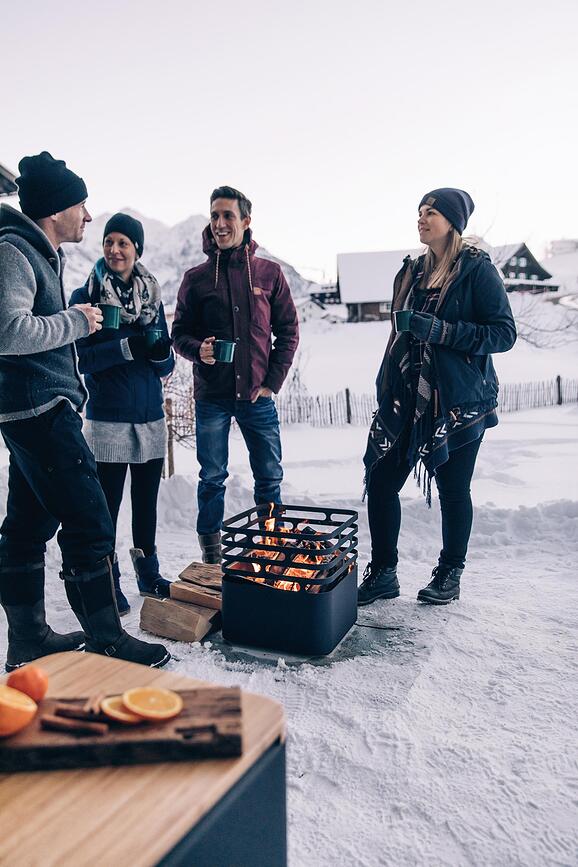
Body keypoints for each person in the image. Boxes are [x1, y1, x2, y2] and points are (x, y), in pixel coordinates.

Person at [0, 152, 170, 670]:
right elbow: (7, 331)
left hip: (35, 407)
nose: (88, 217)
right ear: (55, 210)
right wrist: (76, 322)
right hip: (39, 409)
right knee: (90, 520)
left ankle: (27, 639)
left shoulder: (37, 251)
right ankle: (108, 639)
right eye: (81, 205)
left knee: (28, 526)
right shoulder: (14, 252)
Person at [358, 188, 516, 606]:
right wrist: (387, 378)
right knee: (381, 479)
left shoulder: (476, 271)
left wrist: (443, 333)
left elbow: (503, 333)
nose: (421, 219)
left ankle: (450, 573)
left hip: (457, 400)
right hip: (406, 396)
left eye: (431, 213)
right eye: (419, 213)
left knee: (453, 487)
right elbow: (397, 333)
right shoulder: (410, 272)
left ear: (452, 222)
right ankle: (384, 573)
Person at [172, 186, 299, 562]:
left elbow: (289, 331)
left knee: (269, 477)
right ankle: (212, 559)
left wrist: (272, 381)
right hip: (212, 397)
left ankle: (271, 549)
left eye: (228, 216)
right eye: (214, 216)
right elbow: (179, 333)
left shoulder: (269, 273)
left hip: (257, 397)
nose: (220, 224)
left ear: (246, 221)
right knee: (212, 478)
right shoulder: (195, 279)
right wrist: (200, 351)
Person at [70, 213, 175, 616]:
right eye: (109, 241)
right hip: (108, 420)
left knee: (146, 503)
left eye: (123, 243)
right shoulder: (86, 294)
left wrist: (161, 354)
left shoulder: (153, 297)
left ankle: (148, 573)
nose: (115, 249)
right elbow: (82, 358)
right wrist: (127, 348)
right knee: (107, 507)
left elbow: (164, 364)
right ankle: (107, 579)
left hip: (149, 416)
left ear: (137, 250)